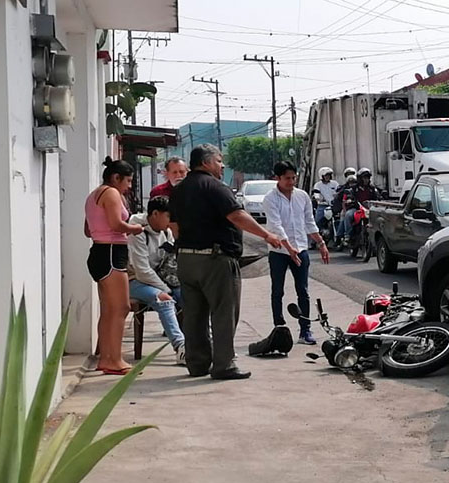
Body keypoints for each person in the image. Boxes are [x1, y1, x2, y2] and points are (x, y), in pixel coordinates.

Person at [168, 144, 297, 381]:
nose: (222, 165)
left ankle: (197, 364)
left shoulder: (179, 190)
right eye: (219, 160)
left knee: (194, 315)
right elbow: (236, 215)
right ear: (206, 162)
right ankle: (224, 364)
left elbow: (174, 226)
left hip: (186, 259)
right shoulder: (215, 186)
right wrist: (267, 235)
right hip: (215, 260)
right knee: (223, 313)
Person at [85, 157, 145, 375]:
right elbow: (116, 224)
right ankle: (115, 359)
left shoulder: (93, 195)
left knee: (109, 309)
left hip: (100, 251)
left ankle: (106, 358)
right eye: (127, 181)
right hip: (111, 252)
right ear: (116, 177)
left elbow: (88, 230)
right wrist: (135, 228)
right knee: (121, 307)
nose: (128, 186)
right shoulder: (111, 193)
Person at [264, 161, 331, 345]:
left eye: (294, 178)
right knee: (277, 291)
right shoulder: (270, 199)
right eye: (287, 178)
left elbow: (309, 222)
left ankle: (305, 330)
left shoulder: (302, 196)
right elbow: (275, 226)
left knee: (303, 291)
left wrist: (321, 243)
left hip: (301, 249)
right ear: (277, 178)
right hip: (279, 251)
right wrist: (288, 248)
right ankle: (279, 328)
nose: (291, 182)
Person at [127, 196, 186, 366]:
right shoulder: (137, 231)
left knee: (190, 297)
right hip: (134, 281)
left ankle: (201, 342)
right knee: (164, 300)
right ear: (155, 214)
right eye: (168, 216)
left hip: (160, 279)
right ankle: (181, 347)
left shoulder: (166, 232)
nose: (170, 221)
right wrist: (165, 289)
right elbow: (142, 271)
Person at [312, 167, 339, 244]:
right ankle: (314, 240)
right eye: (326, 175)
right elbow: (316, 193)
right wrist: (318, 198)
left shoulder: (334, 183)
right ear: (322, 176)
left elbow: (339, 191)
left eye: (329, 175)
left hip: (333, 206)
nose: (328, 177)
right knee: (317, 222)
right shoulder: (318, 185)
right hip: (322, 206)